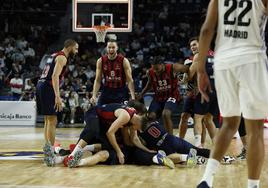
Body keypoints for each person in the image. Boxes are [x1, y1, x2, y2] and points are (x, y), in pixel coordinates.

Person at [196, 1, 268, 187]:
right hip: (251, 59)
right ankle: (253, 185)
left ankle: (207, 179)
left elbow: (206, 30)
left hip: (223, 61)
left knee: (229, 123)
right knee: (255, 131)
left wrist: (201, 70)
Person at [36, 39, 78, 166]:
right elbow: (54, 76)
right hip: (48, 87)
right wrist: (57, 96)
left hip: (40, 85)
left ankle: (48, 150)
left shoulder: (53, 55)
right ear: (69, 47)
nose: (76, 51)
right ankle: (51, 153)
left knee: (48, 120)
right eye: (75, 49)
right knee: (52, 120)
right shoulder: (62, 58)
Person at [138, 56, 189, 135]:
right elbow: (149, 84)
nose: (156, 72)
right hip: (158, 98)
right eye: (154, 69)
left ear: (162, 65)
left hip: (172, 95)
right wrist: (142, 94)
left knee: (166, 114)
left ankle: (170, 139)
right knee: (150, 117)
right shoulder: (150, 72)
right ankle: (152, 137)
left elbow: (188, 68)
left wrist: (189, 82)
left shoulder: (173, 67)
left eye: (157, 69)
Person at [187, 37, 218, 147]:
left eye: (195, 44)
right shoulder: (214, 54)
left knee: (198, 118)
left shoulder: (198, 56)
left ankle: (197, 146)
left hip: (205, 90)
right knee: (209, 119)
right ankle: (217, 146)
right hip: (218, 91)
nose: (193, 47)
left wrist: (184, 72)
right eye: (191, 46)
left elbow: (189, 75)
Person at [90, 39, 135, 106]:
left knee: (123, 113)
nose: (111, 49)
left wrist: (133, 96)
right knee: (99, 111)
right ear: (106, 48)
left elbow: (130, 80)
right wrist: (94, 95)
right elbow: (97, 80)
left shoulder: (124, 61)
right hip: (107, 90)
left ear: (117, 48)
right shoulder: (100, 61)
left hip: (121, 90)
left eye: (113, 47)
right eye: (109, 47)